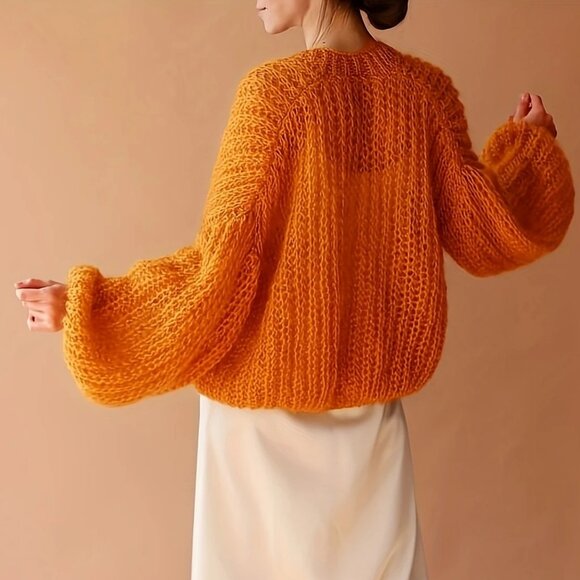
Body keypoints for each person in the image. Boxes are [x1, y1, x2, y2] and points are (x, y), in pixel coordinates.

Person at [14, 0, 574, 578]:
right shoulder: (422, 95)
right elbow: (486, 230)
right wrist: (529, 151)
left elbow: (218, 270)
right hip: (371, 428)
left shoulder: (275, 97)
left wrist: (90, 308)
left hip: (258, 434)